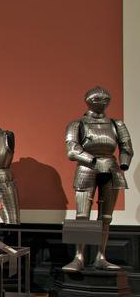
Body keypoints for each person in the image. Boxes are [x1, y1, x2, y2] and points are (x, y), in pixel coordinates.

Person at [62, 86, 133, 272]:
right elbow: (72, 150)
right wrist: (92, 160)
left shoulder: (117, 124)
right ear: (88, 101)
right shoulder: (77, 124)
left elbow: (126, 147)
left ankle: (101, 256)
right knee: (82, 215)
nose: (101, 103)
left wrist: (124, 163)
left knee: (106, 217)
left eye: (105, 100)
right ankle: (79, 257)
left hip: (111, 168)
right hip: (86, 168)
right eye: (97, 100)